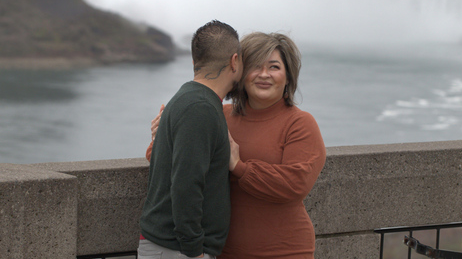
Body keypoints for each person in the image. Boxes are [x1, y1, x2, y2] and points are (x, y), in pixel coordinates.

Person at [147, 32, 326, 259]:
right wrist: (163, 139)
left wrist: (239, 166)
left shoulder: (300, 123)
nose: (264, 75)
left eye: (273, 67)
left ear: (288, 76)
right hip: (220, 251)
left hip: (285, 251)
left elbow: (296, 184)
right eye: (255, 66)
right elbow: (177, 166)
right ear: (240, 72)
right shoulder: (219, 115)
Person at [138, 20, 243, 259]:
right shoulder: (200, 108)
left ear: (194, 61)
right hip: (179, 250)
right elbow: (186, 184)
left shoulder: (191, 98)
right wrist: (194, 250)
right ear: (234, 61)